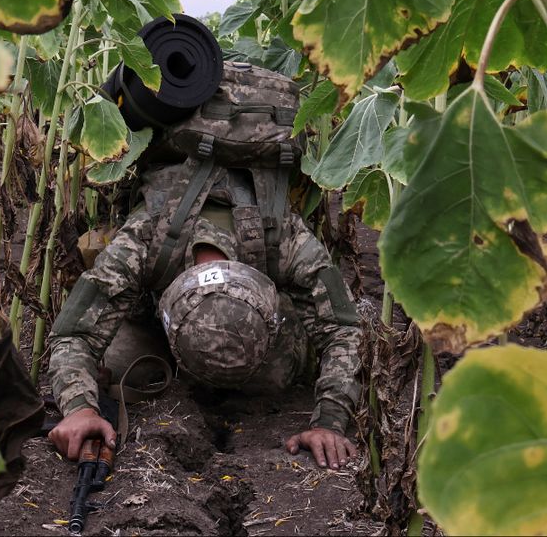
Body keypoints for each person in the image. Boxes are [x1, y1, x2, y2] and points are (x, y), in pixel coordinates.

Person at [46, 66, 364, 472]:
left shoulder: (284, 235)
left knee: (278, 376)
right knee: (124, 363)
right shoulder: (147, 236)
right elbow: (74, 332)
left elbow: (343, 328)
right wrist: (79, 407)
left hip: (256, 337)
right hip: (161, 309)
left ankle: (249, 361)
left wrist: (330, 421)